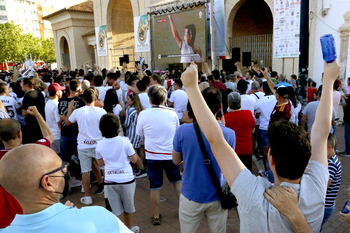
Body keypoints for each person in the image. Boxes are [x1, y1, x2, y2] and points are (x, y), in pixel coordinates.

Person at [180, 60, 340, 232]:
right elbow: (321, 132)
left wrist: (191, 87)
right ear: (307, 159)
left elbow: (216, 140)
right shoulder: (317, 186)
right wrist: (329, 81)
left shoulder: (254, 193)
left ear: (270, 159)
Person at [0, 144, 132, 233]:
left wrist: (64, 213)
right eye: (60, 169)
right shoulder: (98, 218)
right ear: (47, 183)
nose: (65, 171)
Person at [173, 87, 236, 233]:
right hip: (217, 196)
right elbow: (229, 165)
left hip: (190, 195)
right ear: (220, 107)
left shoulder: (183, 131)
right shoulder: (229, 134)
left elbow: (176, 160)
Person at [0, 106, 54, 229]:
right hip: (34, 210)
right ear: (19, 134)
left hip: (5, 215)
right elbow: (49, 136)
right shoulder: (34, 150)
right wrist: (38, 115)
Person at [136, 85, 181, 225]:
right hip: (170, 155)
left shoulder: (144, 114)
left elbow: (139, 133)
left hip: (152, 156)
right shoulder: (172, 113)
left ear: (150, 100)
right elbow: (177, 131)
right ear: (165, 98)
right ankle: (183, 212)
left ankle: (155, 216)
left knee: (154, 187)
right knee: (177, 183)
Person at [96, 113, 139, 233]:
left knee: (114, 211)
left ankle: (119, 230)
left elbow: (100, 164)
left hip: (110, 181)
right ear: (117, 126)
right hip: (127, 180)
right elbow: (134, 160)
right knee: (128, 208)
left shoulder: (99, 144)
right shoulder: (125, 141)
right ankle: (128, 229)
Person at [65, 87, 106, 205]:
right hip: (99, 145)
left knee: (85, 172)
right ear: (96, 98)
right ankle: (108, 193)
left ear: (83, 99)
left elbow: (67, 123)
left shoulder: (78, 111)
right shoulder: (102, 111)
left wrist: (69, 109)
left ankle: (87, 197)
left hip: (84, 146)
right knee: (104, 169)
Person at [224, 92, 255, 171]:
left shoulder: (225, 117)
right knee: (248, 171)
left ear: (228, 103)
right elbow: (253, 130)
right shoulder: (248, 113)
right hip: (247, 149)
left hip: (233, 150)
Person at [320, 134, 342, 231]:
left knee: (314, 229)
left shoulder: (331, 164)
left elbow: (325, 185)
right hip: (328, 205)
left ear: (328, 148)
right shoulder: (332, 160)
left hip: (325, 206)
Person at [125, 93, 146, 178]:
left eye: (128, 99)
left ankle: (141, 169)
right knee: (136, 151)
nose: (127, 100)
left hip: (132, 134)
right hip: (138, 134)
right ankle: (137, 168)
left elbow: (127, 123)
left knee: (133, 152)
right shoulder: (139, 109)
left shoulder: (131, 110)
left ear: (133, 101)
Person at [21, 77, 46, 143]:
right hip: (41, 122)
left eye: (21, 83)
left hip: (31, 125)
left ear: (26, 85)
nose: (20, 84)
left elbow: (24, 113)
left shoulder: (27, 96)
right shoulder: (39, 94)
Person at [45, 83, 66, 154]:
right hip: (57, 135)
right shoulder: (56, 105)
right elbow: (58, 121)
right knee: (63, 156)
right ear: (57, 92)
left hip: (50, 135)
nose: (62, 92)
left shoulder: (47, 103)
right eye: (60, 90)